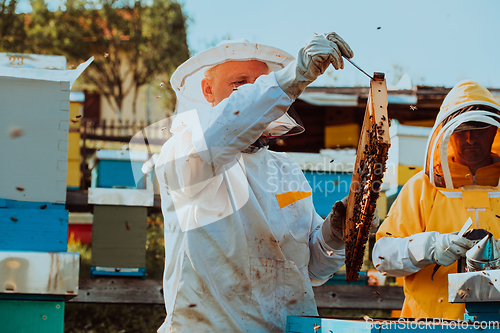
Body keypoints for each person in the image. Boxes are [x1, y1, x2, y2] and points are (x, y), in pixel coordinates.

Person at [153, 33, 361, 332]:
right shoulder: (186, 152)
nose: (252, 93)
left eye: (261, 82)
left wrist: (336, 233)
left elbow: (312, 268)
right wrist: (294, 75)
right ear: (207, 90)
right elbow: (227, 125)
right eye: (239, 84)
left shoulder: (285, 169)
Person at [373, 80, 500, 320]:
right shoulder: (422, 187)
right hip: (428, 324)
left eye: (480, 128)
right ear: (448, 134)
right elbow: (381, 255)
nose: (471, 139)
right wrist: (428, 248)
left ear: (494, 131)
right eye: (462, 130)